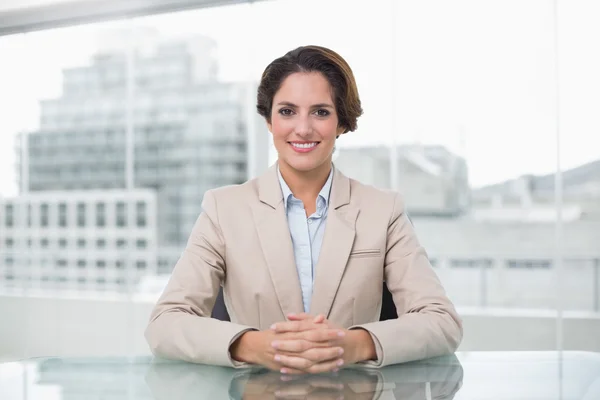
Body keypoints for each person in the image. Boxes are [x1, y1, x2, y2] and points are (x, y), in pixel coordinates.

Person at [145, 45, 463, 374]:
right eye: (287, 111)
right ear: (269, 120)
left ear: (342, 122)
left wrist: (353, 345)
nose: (303, 128)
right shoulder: (223, 209)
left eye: (320, 112)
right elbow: (165, 324)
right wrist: (255, 346)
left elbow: (441, 322)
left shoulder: (383, 211)